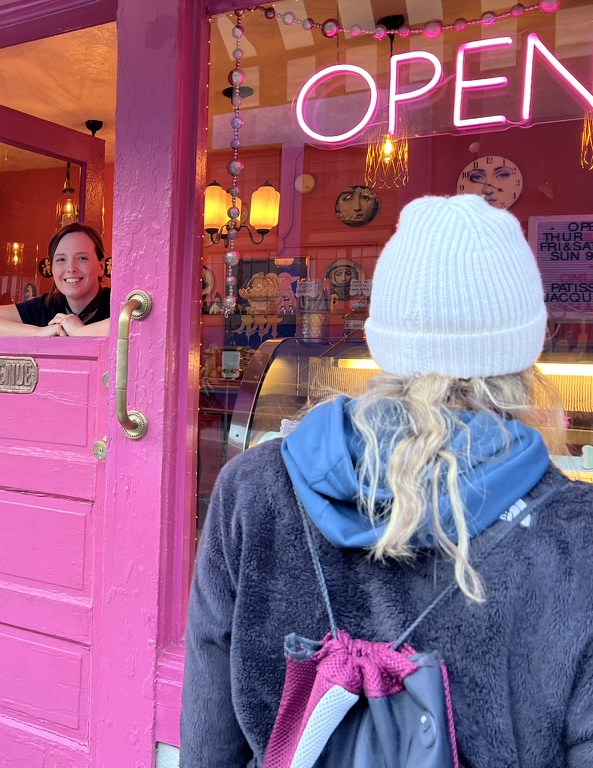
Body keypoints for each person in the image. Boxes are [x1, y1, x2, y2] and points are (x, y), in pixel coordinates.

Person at [181, 195, 593, 767]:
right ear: (525, 353)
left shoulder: (250, 487)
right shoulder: (577, 534)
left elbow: (209, 734)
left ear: (382, 341)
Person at [0, 223, 111, 337]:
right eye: (61, 260)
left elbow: (132, 324)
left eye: (82, 258)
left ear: (101, 266)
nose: (71, 268)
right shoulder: (46, 306)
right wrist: (40, 332)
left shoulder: (115, 303)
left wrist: (79, 331)